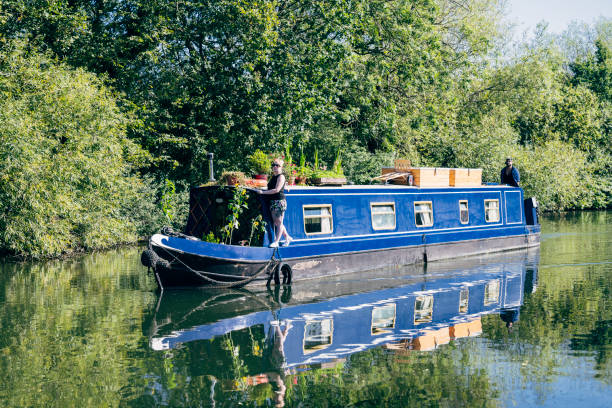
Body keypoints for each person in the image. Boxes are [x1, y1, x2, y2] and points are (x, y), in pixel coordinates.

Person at [257, 158, 293, 248]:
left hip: (279, 201)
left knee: (279, 223)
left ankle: (276, 241)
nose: (275, 167)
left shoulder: (281, 176)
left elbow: (276, 190)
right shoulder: (274, 177)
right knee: (277, 222)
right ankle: (287, 237)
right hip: (273, 201)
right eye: (274, 165)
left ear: (281, 167)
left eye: (277, 165)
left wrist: (262, 192)